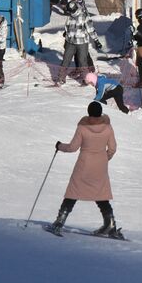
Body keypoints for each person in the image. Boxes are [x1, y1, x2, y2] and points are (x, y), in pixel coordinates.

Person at [49, 102, 120, 237]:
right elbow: (113, 148)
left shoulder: (83, 127)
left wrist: (59, 146)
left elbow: (72, 147)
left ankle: (59, 222)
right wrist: (105, 158)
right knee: (101, 194)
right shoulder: (108, 127)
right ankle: (110, 224)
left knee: (73, 192)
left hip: (84, 163)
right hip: (100, 165)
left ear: (89, 113)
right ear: (100, 113)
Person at [59, 0, 99, 83]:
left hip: (81, 42)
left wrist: (96, 40)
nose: (71, 13)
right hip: (70, 41)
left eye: (72, 12)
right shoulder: (70, 15)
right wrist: (66, 32)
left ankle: (86, 79)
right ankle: (61, 78)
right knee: (66, 60)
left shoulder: (84, 15)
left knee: (82, 61)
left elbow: (90, 28)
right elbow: (68, 24)